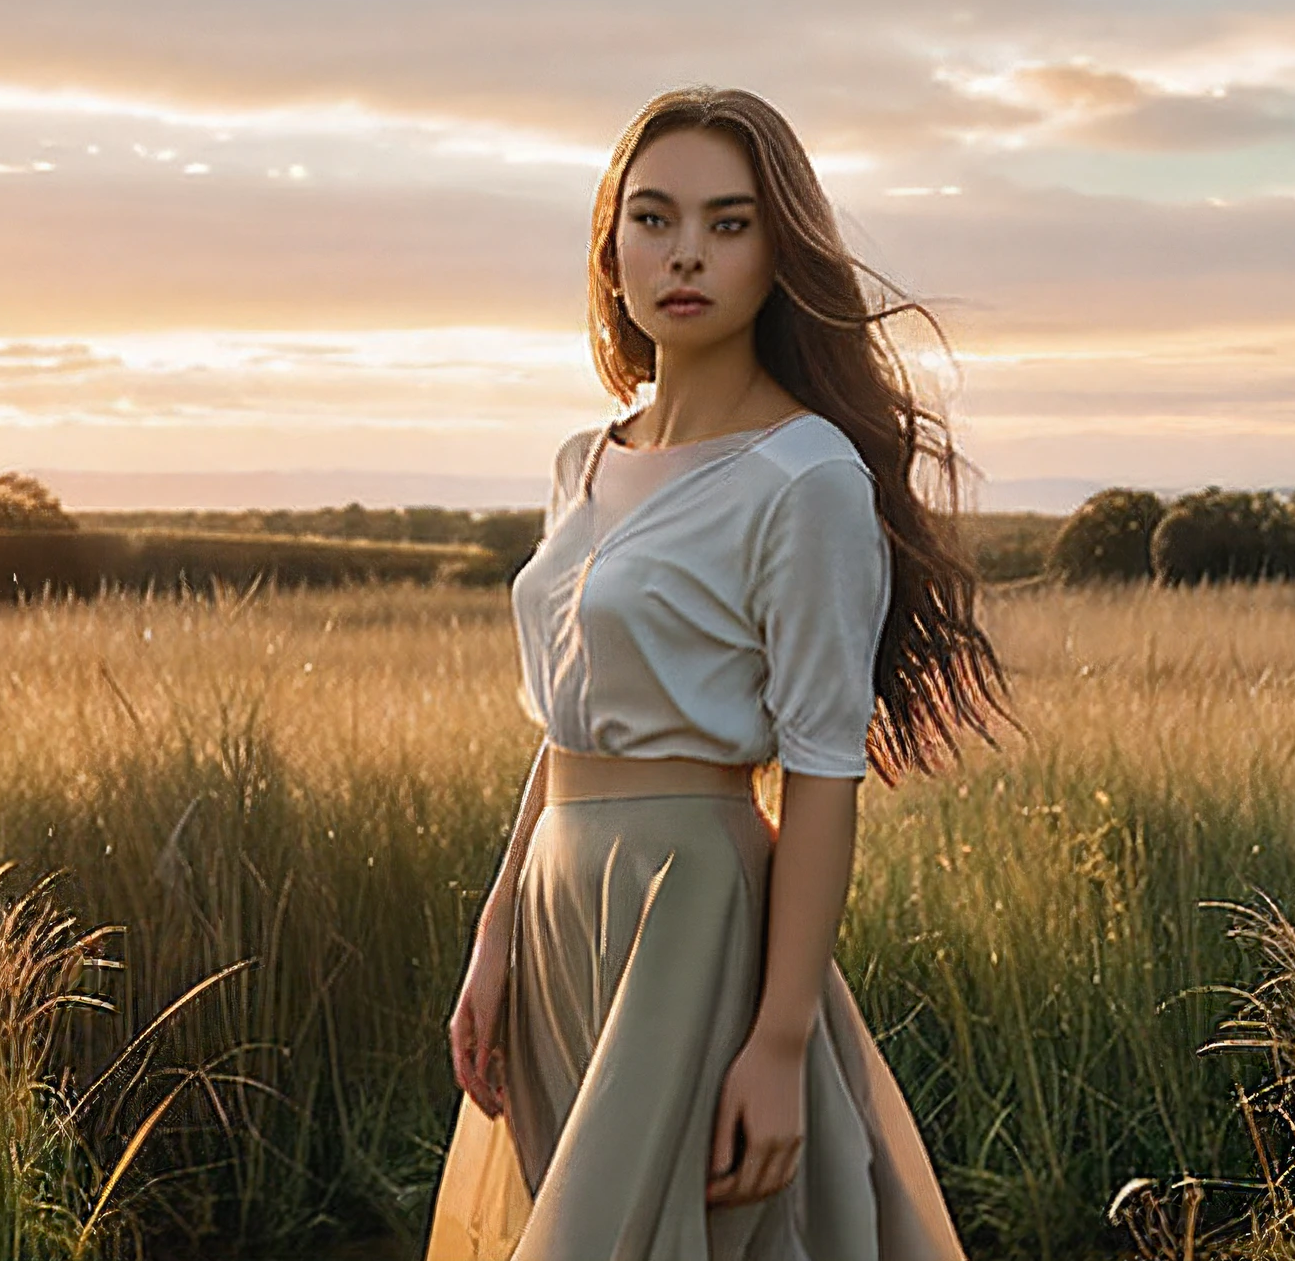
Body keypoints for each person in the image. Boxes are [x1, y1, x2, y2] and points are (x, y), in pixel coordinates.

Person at [425, 85, 1018, 1261]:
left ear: (776, 251)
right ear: (612, 247)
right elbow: (575, 727)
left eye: (729, 223)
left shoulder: (806, 476)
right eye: (653, 218)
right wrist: (495, 931)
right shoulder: (580, 460)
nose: (686, 251)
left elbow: (822, 767)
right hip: (556, 908)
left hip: (691, 908)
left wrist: (783, 1040)